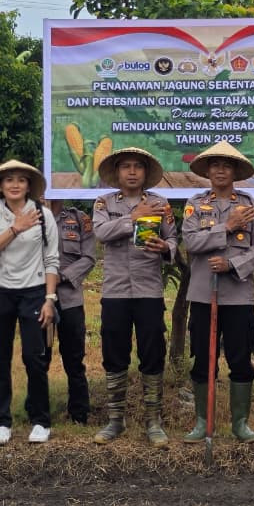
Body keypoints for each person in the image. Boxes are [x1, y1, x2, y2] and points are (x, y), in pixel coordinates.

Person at [180, 141, 254, 444]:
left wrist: (232, 264)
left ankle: (240, 423)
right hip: (204, 294)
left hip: (238, 295)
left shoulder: (251, 204)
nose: (220, 170)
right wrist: (226, 227)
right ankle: (203, 422)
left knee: (240, 358)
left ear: (235, 171)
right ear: (207, 171)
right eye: (215, 165)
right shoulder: (195, 204)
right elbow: (191, 242)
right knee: (203, 360)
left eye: (226, 165)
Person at [90, 146, 177, 447]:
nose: (131, 172)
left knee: (152, 351)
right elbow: (101, 233)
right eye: (125, 166)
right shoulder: (104, 202)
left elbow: (173, 239)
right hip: (115, 290)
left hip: (148, 289)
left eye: (137, 166)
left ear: (145, 172)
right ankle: (116, 420)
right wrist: (133, 217)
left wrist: (166, 248)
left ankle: (154, 421)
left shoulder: (160, 203)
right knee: (114, 352)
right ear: (116, 173)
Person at [0, 160, 59, 445]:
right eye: (9, 179)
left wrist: (50, 299)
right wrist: (15, 228)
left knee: (35, 358)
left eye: (21, 180)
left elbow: (52, 259)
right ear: (0, 186)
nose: (15, 185)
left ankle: (40, 420)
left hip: (34, 292)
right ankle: (1, 422)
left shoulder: (43, 215)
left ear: (28, 186)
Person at [48, 200, 96, 424]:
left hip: (70, 299)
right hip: (37, 297)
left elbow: (89, 258)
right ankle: (37, 411)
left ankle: (79, 413)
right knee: (38, 357)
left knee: (74, 358)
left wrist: (61, 277)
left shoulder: (78, 218)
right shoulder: (29, 216)